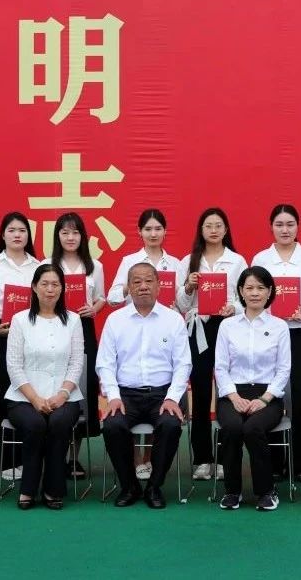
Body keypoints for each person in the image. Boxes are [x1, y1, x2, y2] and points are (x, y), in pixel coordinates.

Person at [96, 263, 191, 509]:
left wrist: (172, 398)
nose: (143, 286)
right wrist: (113, 396)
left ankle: (154, 487)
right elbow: (105, 363)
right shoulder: (115, 320)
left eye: (149, 281)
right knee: (113, 426)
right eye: (136, 282)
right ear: (128, 287)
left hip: (163, 394)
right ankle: (129, 486)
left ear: (159, 286)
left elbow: (183, 364)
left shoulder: (173, 320)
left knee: (170, 425)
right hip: (125, 394)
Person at [105, 208, 185, 482]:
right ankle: (130, 477)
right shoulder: (129, 261)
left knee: (167, 419)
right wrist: (134, 284)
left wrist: (186, 291)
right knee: (115, 422)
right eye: (148, 229)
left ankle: (152, 476)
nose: (153, 233)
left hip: (162, 327)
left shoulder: (175, 263)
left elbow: (183, 302)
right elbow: (112, 297)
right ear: (140, 232)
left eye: (158, 228)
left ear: (165, 231)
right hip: (133, 329)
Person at [251, 204, 301, 482]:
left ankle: (299, 463)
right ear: (271, 227)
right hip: (268, 333)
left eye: (290, 224)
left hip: (300, 332)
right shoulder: (261, 258)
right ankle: (273, 461)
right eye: (279, 224)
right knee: (271, 393)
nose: (285, 229)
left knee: (298, 394)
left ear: (298, 226)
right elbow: (253, 292)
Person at [4, 264, 84, 510]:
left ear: (62, 288)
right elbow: (14, 365)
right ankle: (28, 488)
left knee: (59, 423)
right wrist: (35, 399)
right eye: (45, 284)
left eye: (55, 284)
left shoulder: (73, 320)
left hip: (66, 396)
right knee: (35, 424)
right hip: (23, 397)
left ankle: (53, 489)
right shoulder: (20, 320)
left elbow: (76, 362)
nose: (50, 289)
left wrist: (62, 394)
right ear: (34, 287)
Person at [213, 266, 292, 511]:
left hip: (268, 395)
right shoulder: (227, 326)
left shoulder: (280, 326)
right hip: (233, 393)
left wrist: (265, 399)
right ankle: (232, 491)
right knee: (233, 427)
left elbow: (283, 370)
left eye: (260, 288)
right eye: (249, 288)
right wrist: (233, 396)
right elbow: (220, 367)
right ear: (240, 291)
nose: (255, 293)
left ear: (269, 292)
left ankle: (266, 490)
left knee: (253, 428)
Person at [178, 207, 247, 481]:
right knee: (201, 392)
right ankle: (202, 458)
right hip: (199, 330)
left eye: (219, 225)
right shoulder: (189, 261)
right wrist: (188, 286)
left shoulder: (237, 261)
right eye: (209, 226)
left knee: (226, 392)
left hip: (228, 327)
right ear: (201, 230)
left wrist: (234, 308)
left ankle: (223, 459)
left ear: (226, 229)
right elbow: (180, 304)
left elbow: (246, 297)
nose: (214, 230)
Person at [0, 212, 43, 481]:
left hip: (31, 339)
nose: (17, 235)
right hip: (0, 335)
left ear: (28, 235)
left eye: (22, 230)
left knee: (27, 396)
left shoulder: (38, 266)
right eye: (12, 230)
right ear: (2, 235)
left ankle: (25, 458)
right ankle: (0, 461)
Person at [40, 212, 107, 480]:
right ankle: (51, 454)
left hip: (83, 328)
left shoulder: (94, 266)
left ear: (83, 236)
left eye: (75, 232)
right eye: (65, 232)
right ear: (57, 236)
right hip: (52, 327)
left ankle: (73, 458)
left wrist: (94, 309)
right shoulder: (47, 264)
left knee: (81, 388)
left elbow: (101, 297)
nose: (70, 237)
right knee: (52, 383)